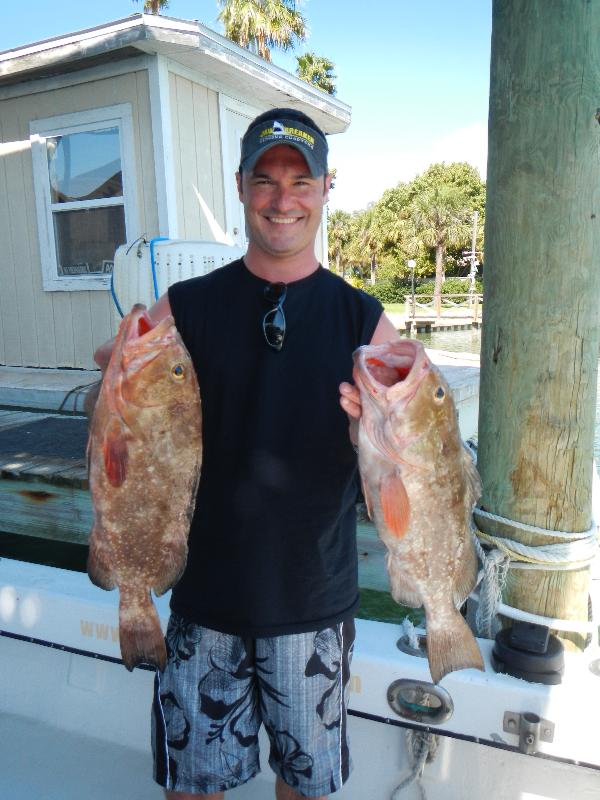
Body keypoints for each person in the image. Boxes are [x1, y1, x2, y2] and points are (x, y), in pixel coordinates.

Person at [94, 107, 399, 800]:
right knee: (191, 787)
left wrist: (372, 436)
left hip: (313, 604)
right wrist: (114, 381)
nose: (282, 199)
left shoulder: (364, 320)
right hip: (204, 598)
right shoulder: (188, 305)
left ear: (327, 188)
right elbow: (107, 398)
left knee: (304, 787)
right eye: (265, 180)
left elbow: (408, 468)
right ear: (239, 186)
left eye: (301, 181)